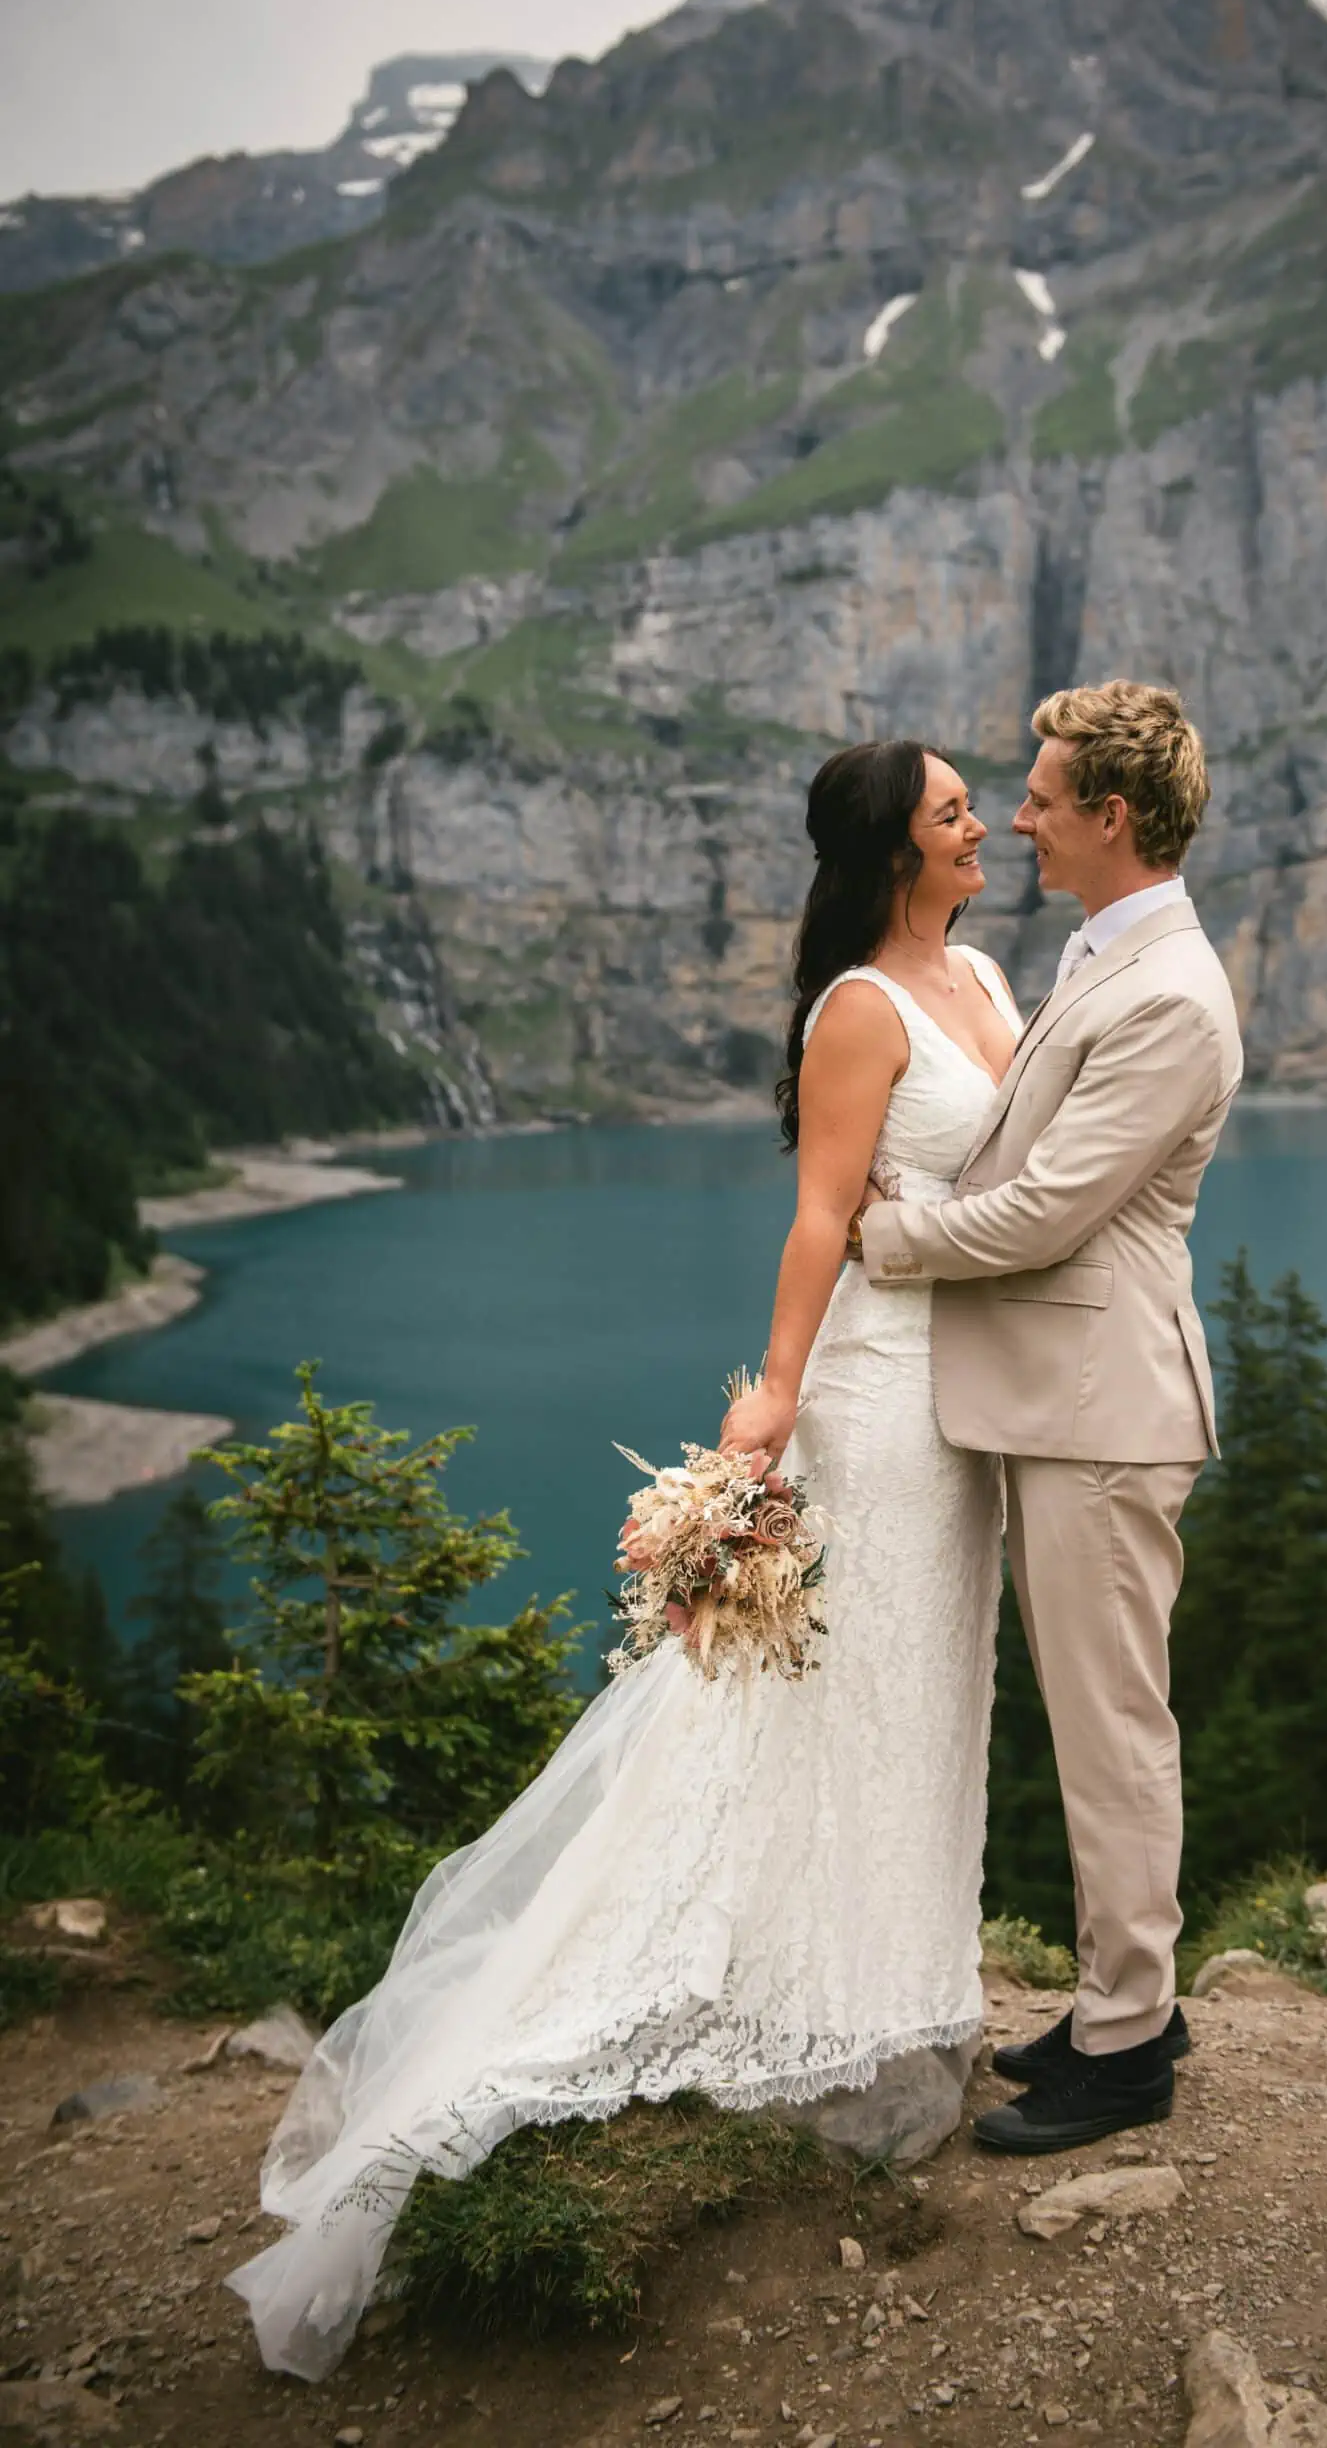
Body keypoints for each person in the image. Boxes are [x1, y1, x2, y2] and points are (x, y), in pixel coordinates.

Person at [228, 737, 1019, 2381]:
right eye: (954, 809)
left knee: (936, 1695)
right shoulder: (858, 1009)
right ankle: (828, 2013)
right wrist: (776, 1397)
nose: (982, 823)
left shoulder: (989, 973)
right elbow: (820, 1213)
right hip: (872, 1400)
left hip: (973, 1404)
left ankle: (908, 1978)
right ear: (894, 851)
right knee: (839, 1696)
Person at [846, 678, 1244, 2155]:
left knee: (1112, 1731)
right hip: (1073, 1403)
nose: (1018, 817)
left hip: (1105, 1410)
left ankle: (1129, 2048)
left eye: (1045, 796)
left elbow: (1050, 1213)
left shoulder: (1168, 996)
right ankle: (1114, 2005)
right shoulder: (1104, 957)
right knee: (1099, 1722)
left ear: (1114, 818)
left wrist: (894, 1236)